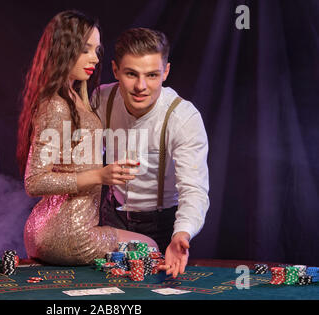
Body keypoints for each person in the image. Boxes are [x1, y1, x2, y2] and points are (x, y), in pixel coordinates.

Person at [16, 11, 158, 266]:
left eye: (96, 50)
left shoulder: (73, 98)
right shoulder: (57, 105)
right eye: (85, 49)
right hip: (71, 235)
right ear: (63, 50)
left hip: (46, 230)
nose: (94, 58)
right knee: (151, 247)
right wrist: (99, 176)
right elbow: (34, 181)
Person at [95, 28, 209, 277]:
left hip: (164, 226)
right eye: (131, 74)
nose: (141, 86)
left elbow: (194, 189)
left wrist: (182, 232)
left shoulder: (184, 117)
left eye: (152, 75)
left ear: (166, 72)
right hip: (112, 217)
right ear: (115, 70)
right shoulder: (101, 99)